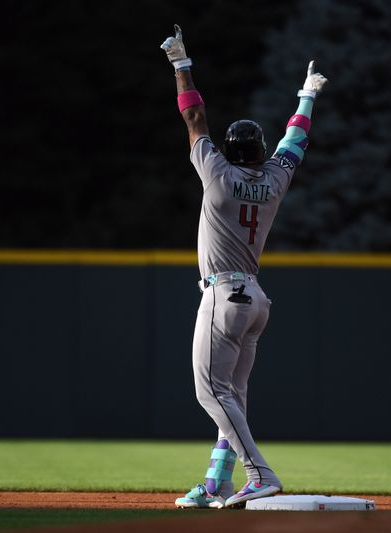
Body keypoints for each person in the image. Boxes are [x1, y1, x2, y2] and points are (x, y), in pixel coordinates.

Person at [160, 25, 327, 509]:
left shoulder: (217, 175)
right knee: (232, 394)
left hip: (223, 295)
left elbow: (193, 116)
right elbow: (294, 143)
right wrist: (307, 96)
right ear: (258, 152)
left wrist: (180, 63)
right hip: (255, 299)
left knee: (209, 392)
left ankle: (260, 474)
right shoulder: (274, 180)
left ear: (230, 152)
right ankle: (216, 482)